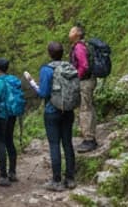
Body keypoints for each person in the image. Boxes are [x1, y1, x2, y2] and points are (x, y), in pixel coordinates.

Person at [24, 42, 76, 191]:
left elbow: (43, 93)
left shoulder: (47, 70)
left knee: (54, 145)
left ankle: (57, 181)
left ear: (49, 54)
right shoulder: (69, 66)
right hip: (68, 110)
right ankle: (70, 179)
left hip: (52, 111)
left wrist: (32, 82)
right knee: (68, 143)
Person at [0, 58, 20, 186]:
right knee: (9, 140)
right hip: (12, 114)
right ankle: (12, 172)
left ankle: (3, 176)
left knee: (0, 142)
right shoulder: (12, 79)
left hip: (1, 116)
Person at [69, 24, 98, 152]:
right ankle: (90, 136)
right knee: (88, 107)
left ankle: (89, 140)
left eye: (72, 30)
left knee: (84, 110)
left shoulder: (79, 47)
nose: (69, 32)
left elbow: (84, 65)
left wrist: (76, 77)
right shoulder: (83, 45)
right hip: (89, 80)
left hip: (84, 82)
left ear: (77, 34)